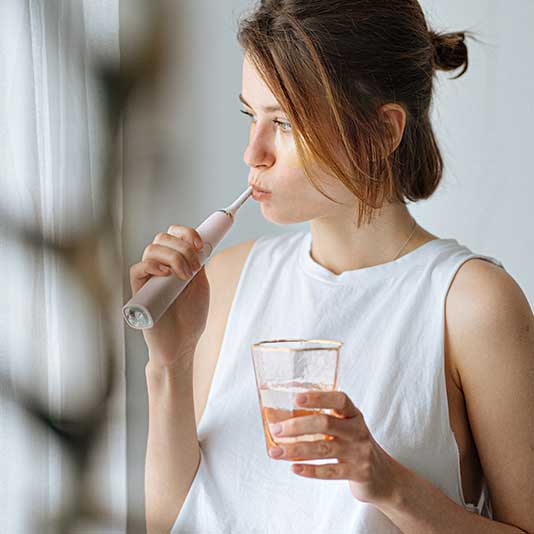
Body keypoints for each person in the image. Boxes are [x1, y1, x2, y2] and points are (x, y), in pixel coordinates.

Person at [129, 1, 534, 533]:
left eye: (286, 123)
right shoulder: (225, 282)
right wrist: (169, 367)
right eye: (252, 116)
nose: (254, 153)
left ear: (382, 133)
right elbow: (170, 524)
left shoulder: (473, 304)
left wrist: (390, 484)